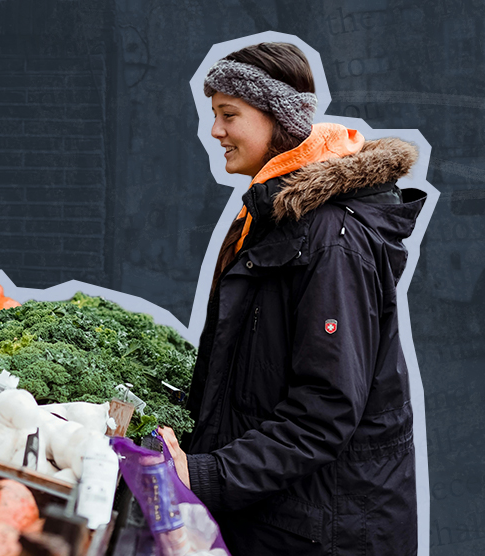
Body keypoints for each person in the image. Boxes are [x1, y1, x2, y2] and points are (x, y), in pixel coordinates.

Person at [158, 42, 426, 555]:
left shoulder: (330, 238)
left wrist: (207, 474)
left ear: (277, 118)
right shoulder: (278, 219)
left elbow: (325, 407)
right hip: (282, 517)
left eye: (228, 115)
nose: (215, 132)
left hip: (324, 532)